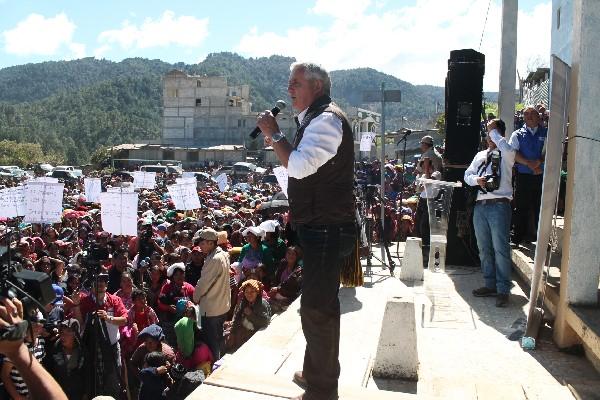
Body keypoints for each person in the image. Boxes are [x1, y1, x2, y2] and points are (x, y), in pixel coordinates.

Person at [256, 61, 357, 400]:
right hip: (320, 226)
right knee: (318, 304)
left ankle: (323, 390)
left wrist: (274, 133)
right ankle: (316, 372)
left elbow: (297, 165)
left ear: (316, 86)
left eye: (295, 83)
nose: (289, 89)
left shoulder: (327, 119)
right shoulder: (314, 119)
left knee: (317, 308)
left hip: (328, 229)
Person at [464, 119, 515, 307]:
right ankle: (490, 284)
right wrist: (477, 180)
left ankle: (503, 289)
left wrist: (495, 132)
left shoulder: (506, 151)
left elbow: (508, 150)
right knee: (484, 247)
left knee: (500, 248)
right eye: (487, 133)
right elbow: (467, 176)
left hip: (499, 204)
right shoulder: (480, 155)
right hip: (481, 204)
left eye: (491, 132)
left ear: (499, 133)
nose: (488, 136)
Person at [0, 298, 67, 400]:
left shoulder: (40, 342)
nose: (37, 325)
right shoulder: (17, 344)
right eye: (34, 322)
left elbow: (40, 363)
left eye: (40, 321)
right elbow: (5, 375)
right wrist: (18, 398)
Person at [509, 106, 547, 245]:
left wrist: (539, 162)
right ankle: (517, 238)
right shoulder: (517, 134)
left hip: (541, 175)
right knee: (521, 206)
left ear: (538, 116)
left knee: (541, 207)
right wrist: (529, 164)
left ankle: (541, 240)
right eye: (526, 114)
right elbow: (513, 153)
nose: (529, 116)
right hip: (523, 176)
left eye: (532, 114)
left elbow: (550, 150)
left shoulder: (546, 132)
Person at [192, 228, 231, 362]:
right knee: (218, 339)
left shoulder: (214, 259)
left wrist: (195, 297)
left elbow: (203, 284)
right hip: (221, 305)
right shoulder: (223, 254)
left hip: (212, 308)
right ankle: (220, 362)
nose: (200, 246)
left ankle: (216, 367)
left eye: (202, 243)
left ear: (210, 243)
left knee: (213, 342)